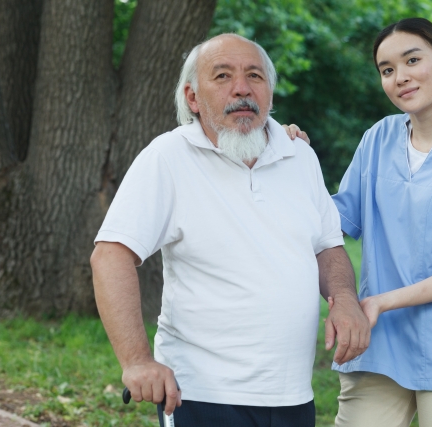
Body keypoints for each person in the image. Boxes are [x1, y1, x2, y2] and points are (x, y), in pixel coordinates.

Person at [90, 33, 370, 427]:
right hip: (200, 394)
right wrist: (136, 362)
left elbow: (328, 247)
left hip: (292, 395)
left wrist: (343, 297)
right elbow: (110, 256)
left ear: (269, 92)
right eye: (222, 76)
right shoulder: (167, 158)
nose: (242, 88)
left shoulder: (300, 155)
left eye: (254, 76)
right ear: (192, 98)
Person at [285, 17, 432, 427]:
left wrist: (378, 302)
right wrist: (293, 163)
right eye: (387, 70)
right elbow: (333, 221)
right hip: (378, 343)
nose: (400, 77)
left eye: (411, 61)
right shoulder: (377, 138)